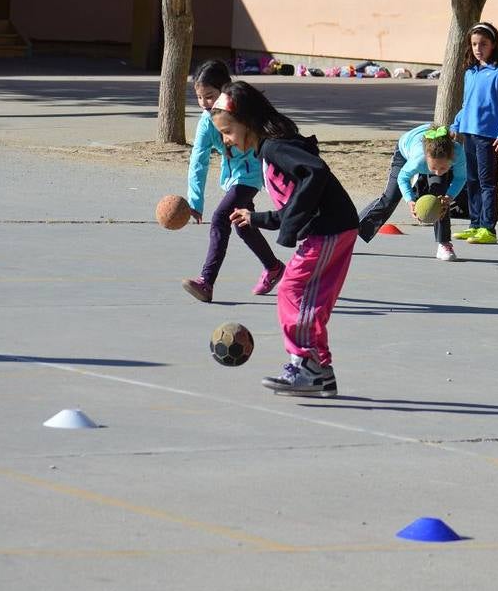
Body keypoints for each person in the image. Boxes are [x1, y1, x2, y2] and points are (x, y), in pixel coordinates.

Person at [212, 82, 359, 396]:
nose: (226, 140)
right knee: (310, 301)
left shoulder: (274, 147)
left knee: (293, 290)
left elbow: (315, 172)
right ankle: (319, 371)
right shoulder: (271, 150)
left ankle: (306, 364)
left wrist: (290, 227)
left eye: (227, 131)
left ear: (247, 122)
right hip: (332, 228)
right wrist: (259, 218)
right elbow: (295, 205)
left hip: (328, 229)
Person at [180, 60, 284, 303]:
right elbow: (198, 160)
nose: (205, 103)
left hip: (251, 175)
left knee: (220, 219)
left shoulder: (242, 110)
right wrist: (195, 200)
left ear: (224, 89)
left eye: (210, 96)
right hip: (233, 178)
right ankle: (274, 267)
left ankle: (206, 282)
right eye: (199, 97)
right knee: (242, 224)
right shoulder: (206, 122)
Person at [451, 22, 498, 245]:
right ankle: (475, 223)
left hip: (488, 136)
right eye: (474, 44)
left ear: (493, 45)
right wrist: (455, 125)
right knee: (472, 180)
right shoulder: (470, 73)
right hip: (468, 133)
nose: (478, 48)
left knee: (487, 182)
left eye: (483, 44)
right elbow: (466, 104)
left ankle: (488, 228)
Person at [357, 123, 467, 261]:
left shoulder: (457, 153)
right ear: (427, 159)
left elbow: (461, 178)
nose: (438, 172)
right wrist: (410, 200)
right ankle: (349, 233)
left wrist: (449, 197)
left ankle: (444, 244)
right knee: (390, 198)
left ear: (450, 160)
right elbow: (403, 178)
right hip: (404, 150)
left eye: (443, 168)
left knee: (440, 200)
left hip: (435, 153)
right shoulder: (418, 160)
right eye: (434, 168)